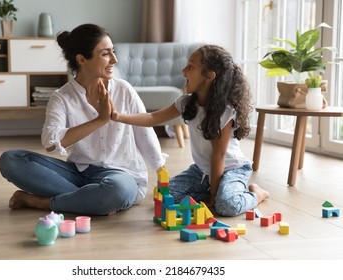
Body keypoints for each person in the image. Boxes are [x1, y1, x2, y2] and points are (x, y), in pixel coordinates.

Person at [0, 23, 167, 216]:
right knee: (11, 160)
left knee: (117, 191)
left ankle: (45, 203)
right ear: (82, 59)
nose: (115, 60)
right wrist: (101, 120)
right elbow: (51, 143)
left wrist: (161, 172)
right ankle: (91, 199)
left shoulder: (123, 90)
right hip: (77, 173)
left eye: (113, 52)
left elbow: (144, 133)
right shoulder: (61, 97)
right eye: (106, 54)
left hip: (120, 175)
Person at [112, 44, 270, 217]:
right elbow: (152, 118)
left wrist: (213, 195)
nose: (183, 70)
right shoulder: (186, 102)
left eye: (191, 66)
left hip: (230, 169)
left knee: (226, 207)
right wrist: (118, 116)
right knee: (165, 196)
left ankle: (256, 194)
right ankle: (219, 192)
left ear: (210, 76)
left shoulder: (225, 111)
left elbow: (219, 156)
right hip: (202, 170)